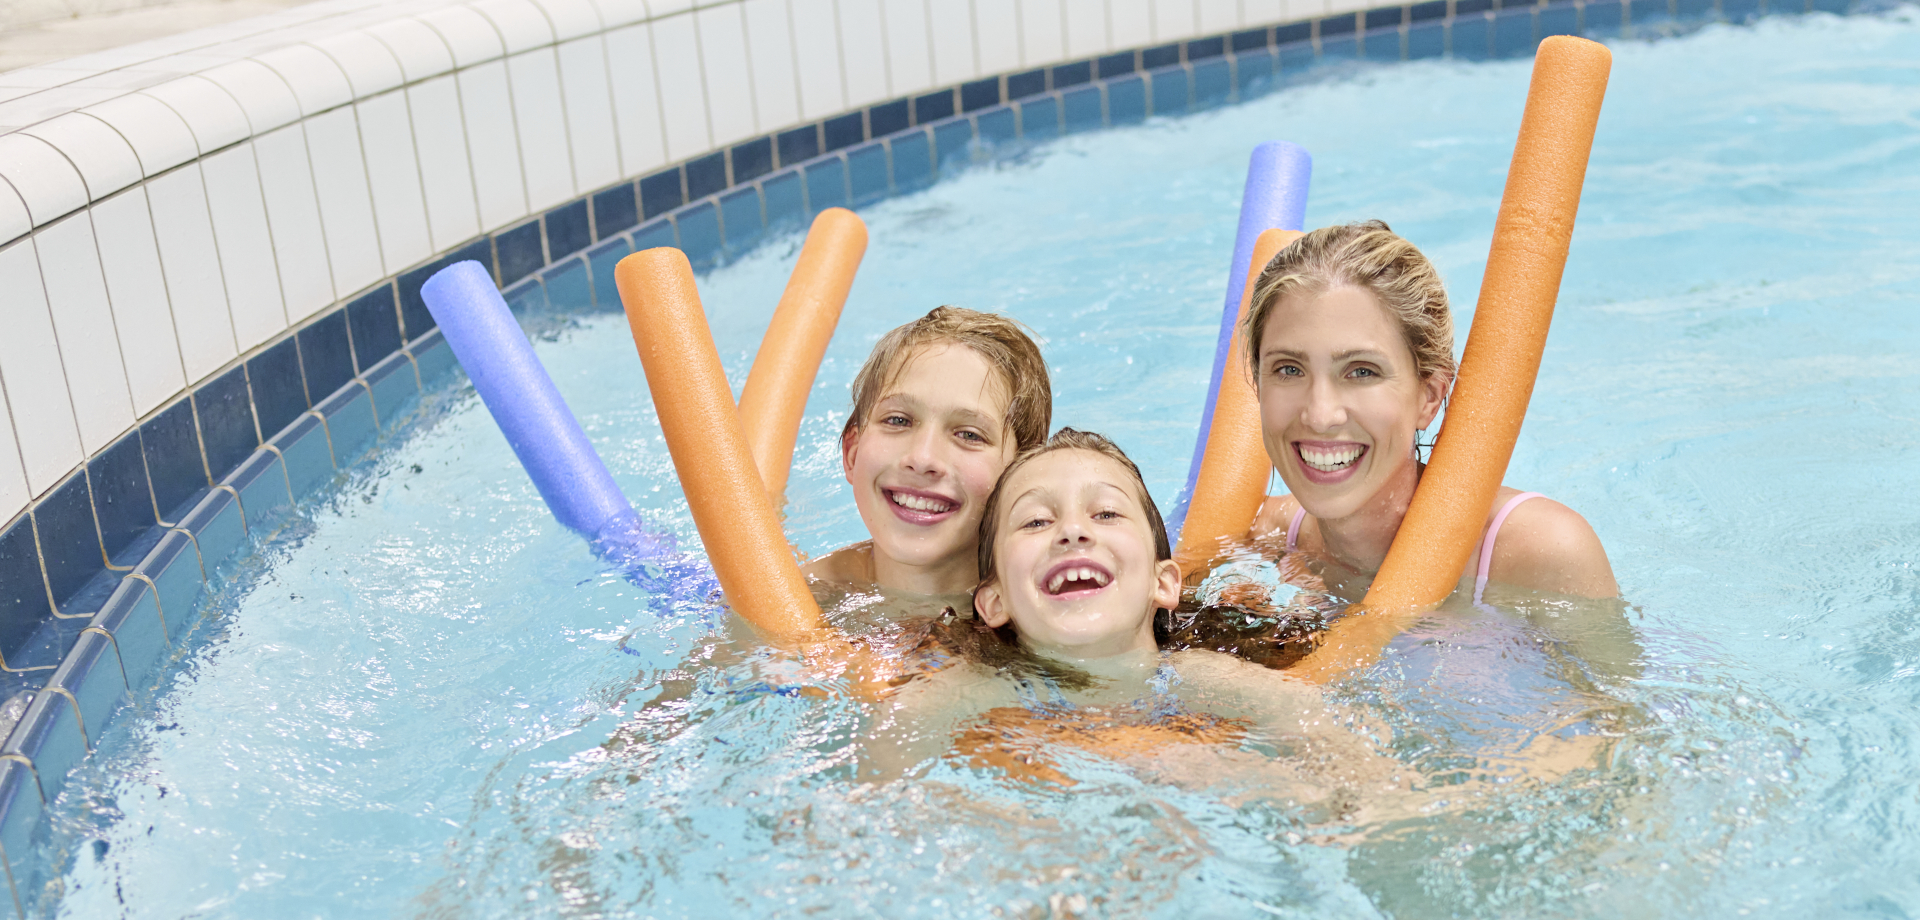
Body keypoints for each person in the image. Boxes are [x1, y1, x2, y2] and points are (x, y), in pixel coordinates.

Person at [865, 429, 1437, 810]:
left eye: (1106, 512)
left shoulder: (1210, 681)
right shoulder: (957, 695)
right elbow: (880, 786)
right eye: (1036, 522)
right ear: (993, 603)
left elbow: (1354, 770)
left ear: (1164, 584)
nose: (1072, 530)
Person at [1240, 221, 1618, 604]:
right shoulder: (1269, 537)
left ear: (1430, 397)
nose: (1320, 415)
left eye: (1362, 372)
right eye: (1289, 369)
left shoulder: (1541, 554)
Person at [804, 307, 1051, 608]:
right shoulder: (795, 597)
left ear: (1022, 478)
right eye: (898, 420)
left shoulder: (1056, 604)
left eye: (969, 435)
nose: (922, 458)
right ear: (852, 454)